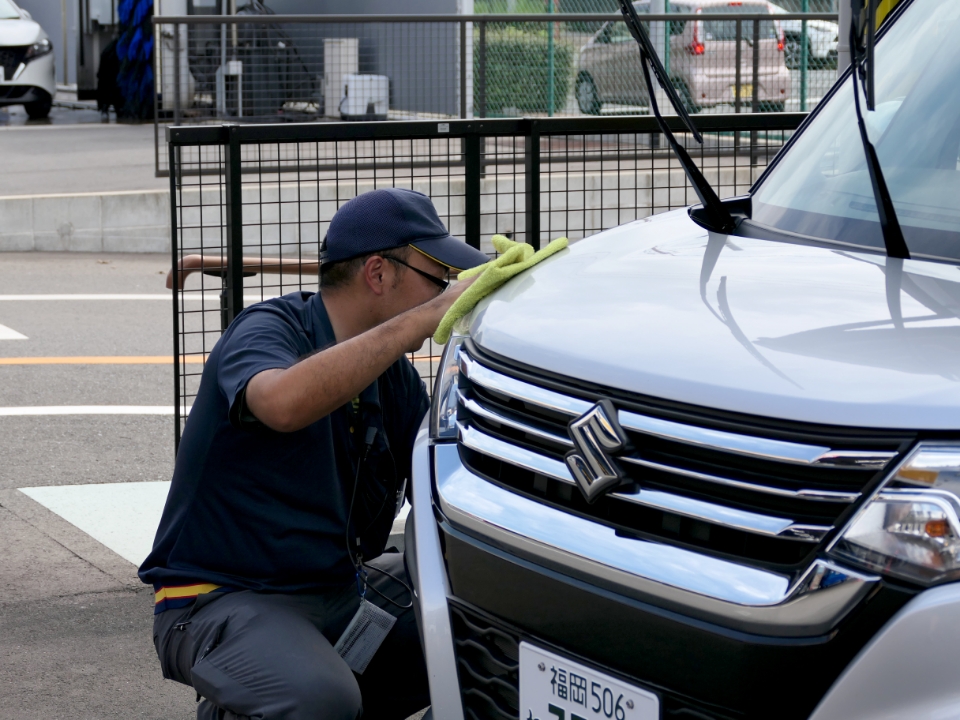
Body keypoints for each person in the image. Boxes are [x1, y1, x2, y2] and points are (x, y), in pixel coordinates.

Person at [140, 188, 489, 720]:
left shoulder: (390, 376)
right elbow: (279, 402)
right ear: (378, 273)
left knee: (474, 638)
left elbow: (440, 479)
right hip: (221, 598)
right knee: (318, 698)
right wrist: (426, 318)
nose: (445, 296)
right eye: (437, 281)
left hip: (338, 593)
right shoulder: (268, 329)